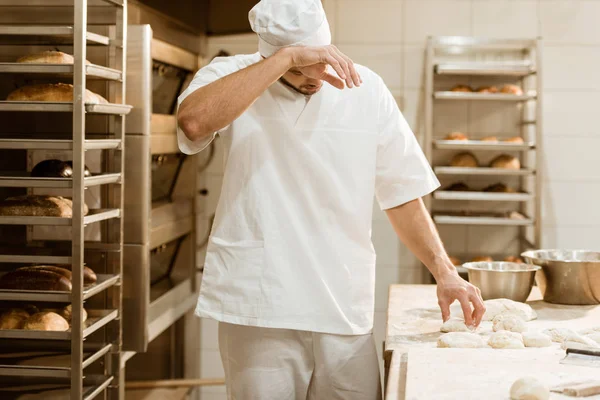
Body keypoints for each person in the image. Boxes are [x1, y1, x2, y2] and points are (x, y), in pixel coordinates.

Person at [177, 0, 486, 398]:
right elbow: (194, 122)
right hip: (259, 308)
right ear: (270, 54)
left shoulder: (366, 89)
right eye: (299, 66)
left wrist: (444, 271)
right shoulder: (232, 76)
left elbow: (402, 193)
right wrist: (285, 58)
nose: (316, 76)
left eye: (321, 60)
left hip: (343, 303)